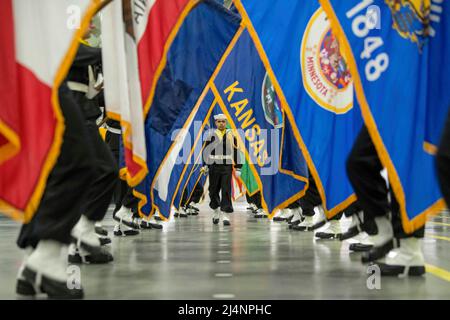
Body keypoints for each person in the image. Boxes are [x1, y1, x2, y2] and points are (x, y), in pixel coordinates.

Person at [65, 27, 117, 264]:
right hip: (74, 117)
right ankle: (83, 230)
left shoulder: (79, 46)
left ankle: (77, 247)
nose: (94, 26)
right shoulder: (67, 41)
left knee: (81, 179)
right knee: (105, 170)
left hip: (82, 115)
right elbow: (98, 55)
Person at [346, 126, 426, 276]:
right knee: (358, 162)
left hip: (410, 104)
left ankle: (410, 251)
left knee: (407, 163)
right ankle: (386, 233)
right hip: (383, 103)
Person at [203, 114, 242, 226]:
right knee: (213, 190)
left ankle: (225, 214)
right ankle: (216, 210)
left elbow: (236, 151)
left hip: (226, 166)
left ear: (226, 122)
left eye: (223, 121)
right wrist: (205, 164)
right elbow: (205, 151)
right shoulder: (210, 135)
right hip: (214, 165)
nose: (221, 123)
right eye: (219, 121)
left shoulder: (231, 135)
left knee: (226, 190)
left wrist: (238, 167)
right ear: (215, 123)